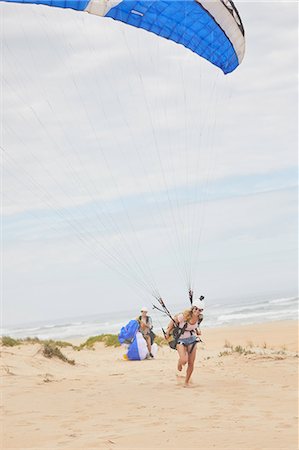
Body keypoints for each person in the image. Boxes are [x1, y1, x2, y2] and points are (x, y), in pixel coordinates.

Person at [165, 299, 204, 385]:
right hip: (181, 340)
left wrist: (197, 330)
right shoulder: (184, 316)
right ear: (193, 308)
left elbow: (195, 326)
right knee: (184, 360)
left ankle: (186, 382)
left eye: (200, 310)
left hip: (192, 340)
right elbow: (173, 321)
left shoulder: (199, 318)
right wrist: (167, 332)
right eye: (196, 309)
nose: (197, 311)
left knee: (191, 363)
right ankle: (179, 363)